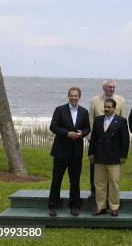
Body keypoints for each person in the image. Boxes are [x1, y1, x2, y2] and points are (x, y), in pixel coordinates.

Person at [48, 87, 90, 217]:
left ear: (79, 97)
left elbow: (87, 128)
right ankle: (53, 206)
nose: (73, 98)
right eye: (71, 95)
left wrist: (82, 133)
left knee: (75, 180)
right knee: (57, 179)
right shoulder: (60, 110)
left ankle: (75, 206)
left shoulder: (84, 111)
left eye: (76, 96)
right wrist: (67, 133)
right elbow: (53, 126)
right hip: (60, 151)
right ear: (68, 96)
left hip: (76, 152)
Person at [88, 98, 130, 217]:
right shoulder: (98, 120)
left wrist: (123, 156)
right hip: (99, 156)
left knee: (114, 183)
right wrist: (91, 153)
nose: (106, 109)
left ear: (114, 108)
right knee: (99, 183)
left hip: (114, 157)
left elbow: (125, 140)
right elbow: (94, 138)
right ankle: (100, 207)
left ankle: (114, 206)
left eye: (109, 107)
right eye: (105, 107)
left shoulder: (121, 121)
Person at [88, 79, 128, 198]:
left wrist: (122, 151)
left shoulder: (121, 100)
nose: (112, 89)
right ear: (104, 88)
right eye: (109, 87)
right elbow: (91, 119)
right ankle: (94, 192)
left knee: (113, 175)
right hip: (98, 142)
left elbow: (123, 119)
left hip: (114, 144)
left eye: (113, 87)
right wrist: (91, 137)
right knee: (96, 171)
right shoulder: (95, 100)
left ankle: (112, 197)